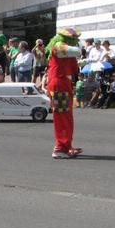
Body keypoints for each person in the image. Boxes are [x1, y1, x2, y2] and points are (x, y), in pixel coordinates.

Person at [46, 28, 83, 159]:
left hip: (63, 83)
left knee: (66, 115)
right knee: (62, 116)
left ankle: (67, 146)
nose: (76, 40)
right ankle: (60, 147)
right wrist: (79, 48)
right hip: (59, 83)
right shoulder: (58, 46)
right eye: (74, 38)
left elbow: (73, 64)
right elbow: (76, 51)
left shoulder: (64, 50)